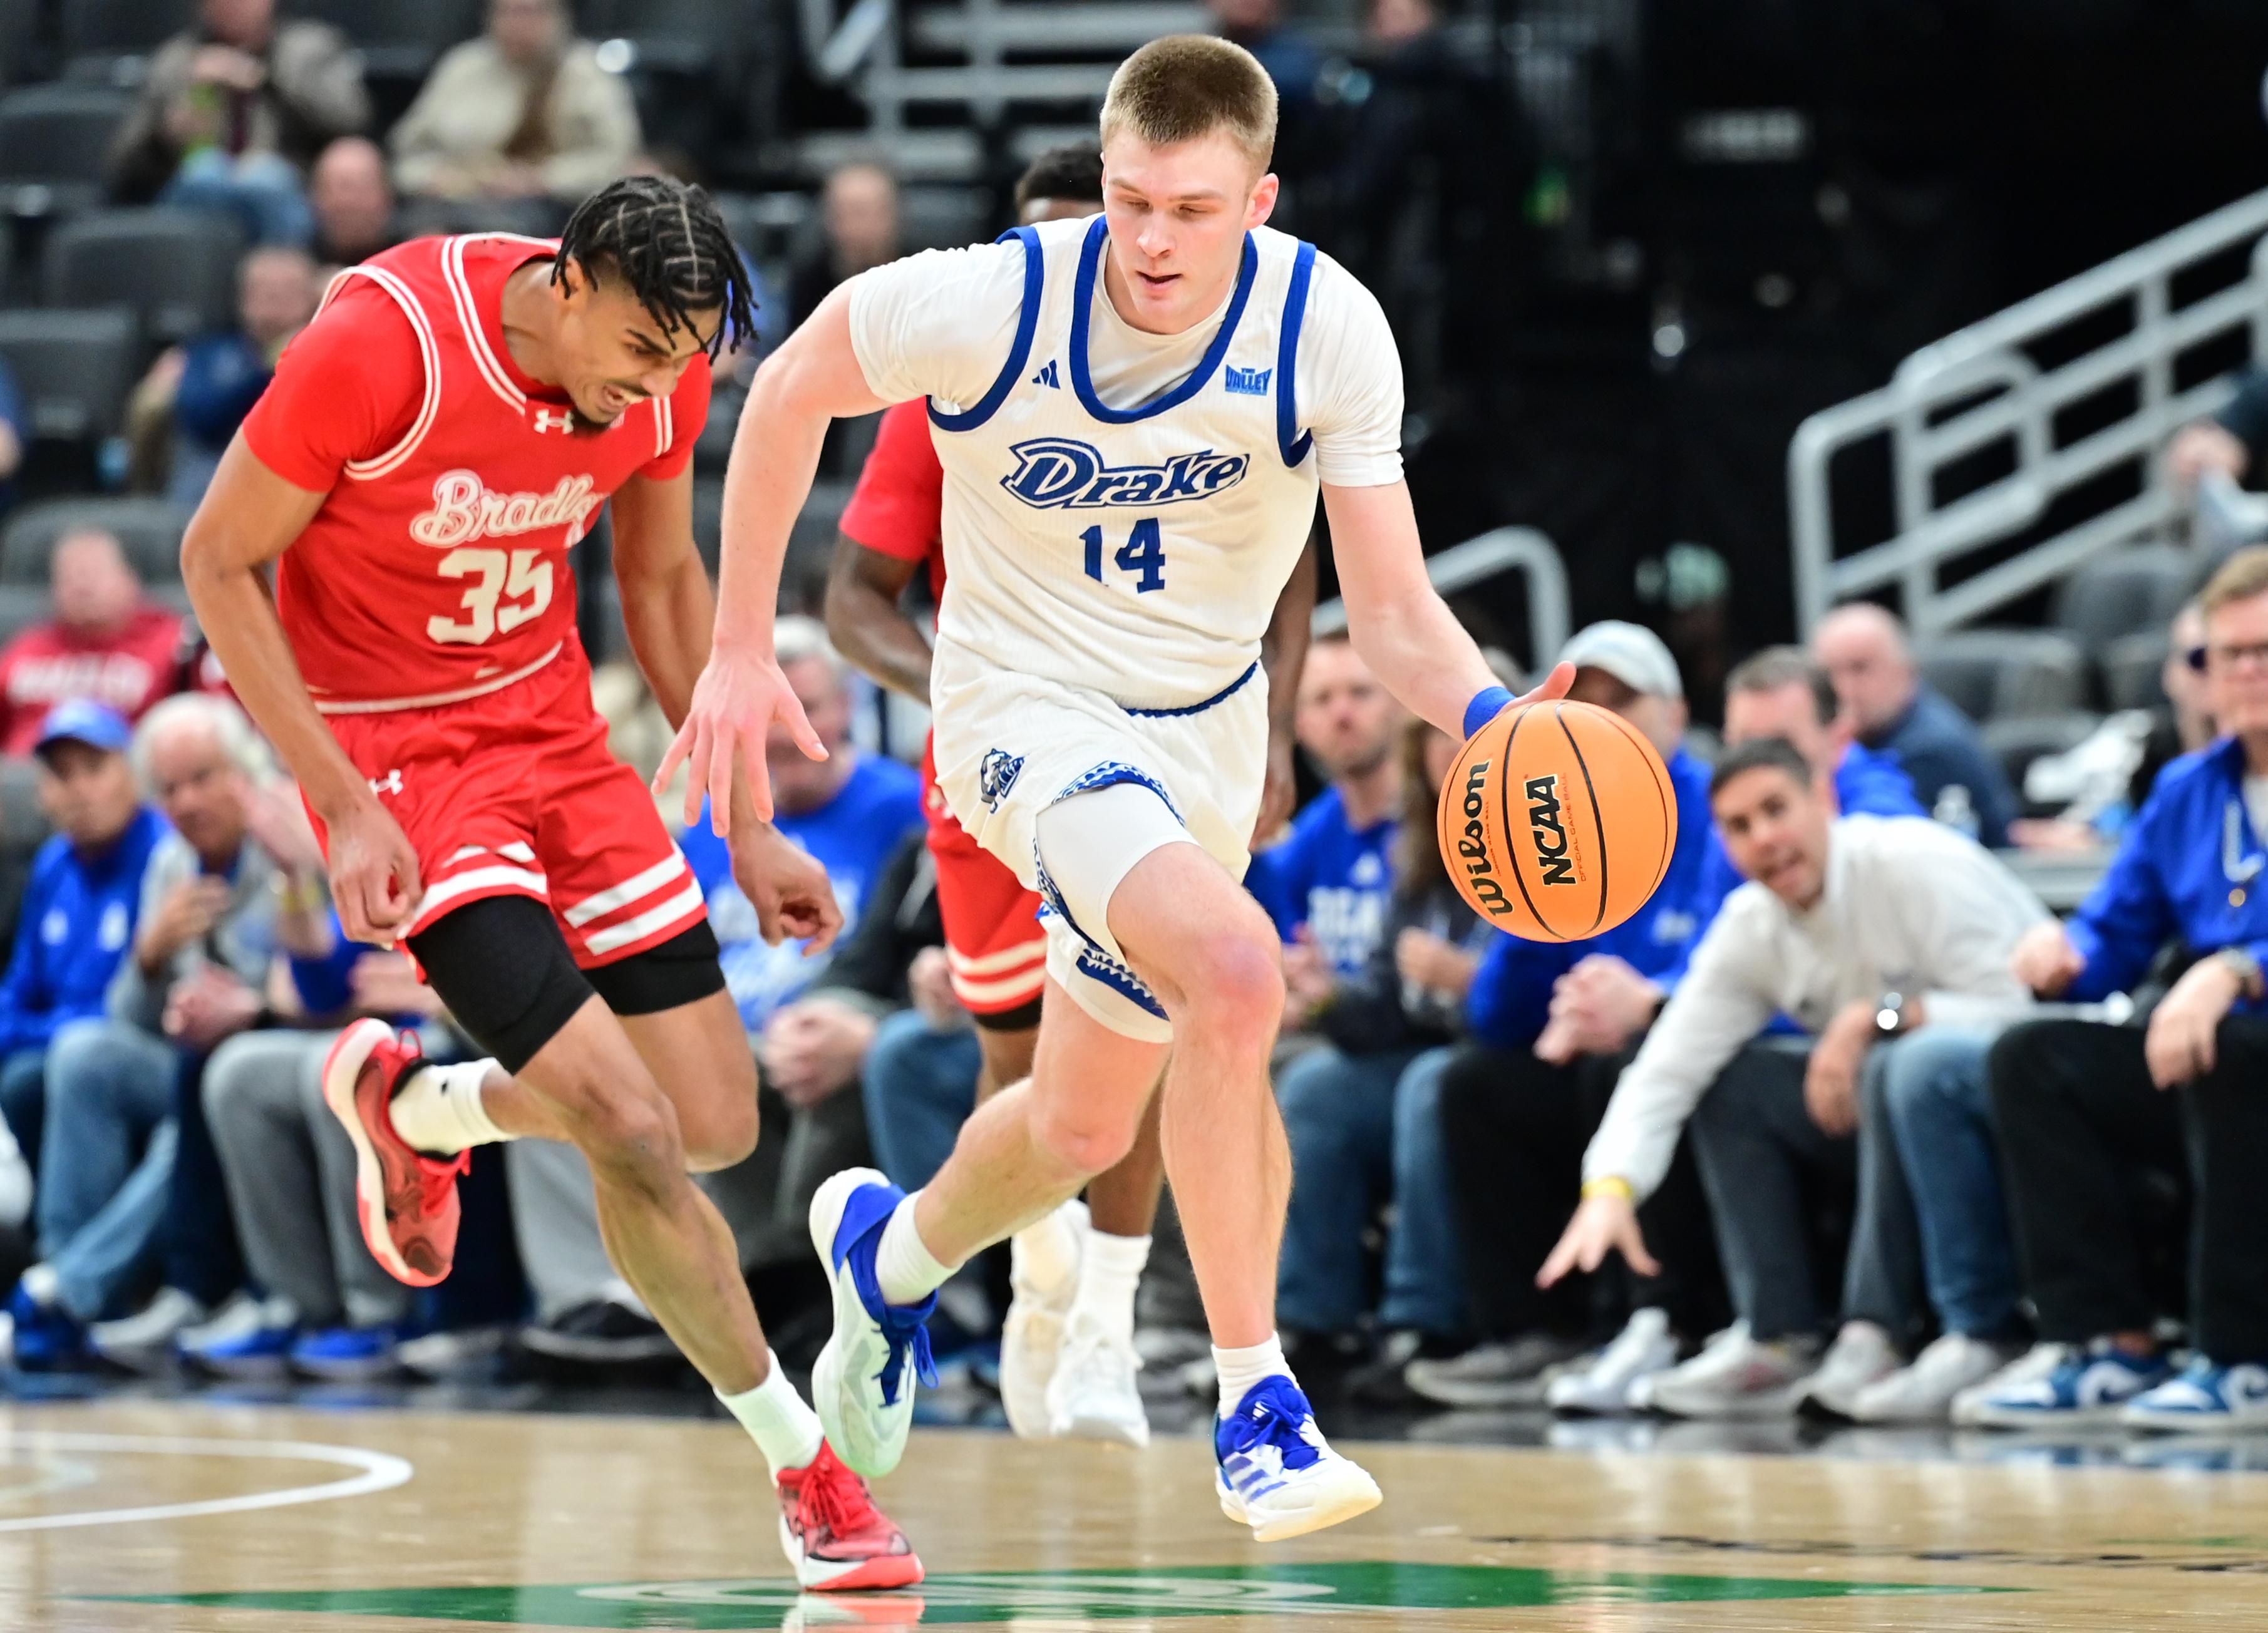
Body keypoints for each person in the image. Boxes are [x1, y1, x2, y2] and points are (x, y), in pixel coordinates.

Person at [670, 33, 1572, 1538]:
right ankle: (1256, 1402)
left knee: (1083, 1129)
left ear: (1259, 202)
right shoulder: (993, 299)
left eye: (1191, 210)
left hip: (1199, 736)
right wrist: (739, 646)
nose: (1151, 239)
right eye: (1129, 200)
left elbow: (1392, 609)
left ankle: (891, 1262)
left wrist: (1487, 712)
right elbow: (789, 386)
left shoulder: (1327, 328)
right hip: (1021, 713)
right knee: (1236, 971)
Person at [175, 174, 917, 1590]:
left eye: (681, 359)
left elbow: (663, 580)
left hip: (557, 739)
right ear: (566, 282)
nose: (655, 382)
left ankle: (418, 1107)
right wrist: (339, 802)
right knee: (628, 1127)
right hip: (400, 762)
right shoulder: (383, 342)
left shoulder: (658, 374)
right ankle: (806, 1467)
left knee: (712, 1122)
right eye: (638, 348)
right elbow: (216, 561)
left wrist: (747, 819)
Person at [822, 143, 1297, 1449]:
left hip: (1162, 747)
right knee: (1025, 1064)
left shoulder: (1221, 381)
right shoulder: (960, 380)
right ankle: (1038, 1277)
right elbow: (852, 598)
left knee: (1144, 1036)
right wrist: (970, 689)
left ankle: (1105, 1321)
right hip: (1001, 769)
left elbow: (1291, 565)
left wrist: (1278, 722)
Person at [1542, 737, 2046, 1419]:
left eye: (1776, 810)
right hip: (1886, 1118)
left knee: (1903, 1065)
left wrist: (1877, 1018)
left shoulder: (1913, 862)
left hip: (2011, 1105)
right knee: (1733, 1080)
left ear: (1823, 799)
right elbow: (1667, 1069)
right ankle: (1777, 1336)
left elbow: (2019, 1013)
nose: (1764, 839)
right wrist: (1609, 1185)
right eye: (1739, 826)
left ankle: (1933, 1334)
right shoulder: (1749, 925)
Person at [507, 616, 920, 1363]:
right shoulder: (713, 823)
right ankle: (601, 1294)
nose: (784, 734)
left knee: (808, 1048)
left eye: (806, 710)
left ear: (847, 708)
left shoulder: (903, 808)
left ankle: (784, 1295)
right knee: (564, 1061)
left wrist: (872, 1021)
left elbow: (913, 949)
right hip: (719, 1024)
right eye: (767, 716)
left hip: (830, 1024)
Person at [1971, 545, 2268, 1431]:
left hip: (2243, 1046)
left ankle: (2240, 1357)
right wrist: (2062, 950)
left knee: (2230, 1050)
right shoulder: (2186, 789)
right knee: (2033, 1058)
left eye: (2264, 651)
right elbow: (2115, 931)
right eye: (2228, 654)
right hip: (2218, 1055)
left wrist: (2236, 969)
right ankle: (2107, 1342)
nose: (2246, 672)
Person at [1411, 622, 1721, 1409]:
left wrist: (1645, 1000)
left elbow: (1739, 963)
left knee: (1626, 1067)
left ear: (1676, 715)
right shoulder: (1559, 814)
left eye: (1625, 700)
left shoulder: (1719, 807)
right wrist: (1559, 973)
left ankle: (1662, 1321)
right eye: (1589, 703)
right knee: (1475, 1084)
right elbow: (1494, 1013)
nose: (1605, 719)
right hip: (1591, 1052)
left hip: (1699, 1051)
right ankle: (1529, 1331)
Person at [4, 696, 320, 1368]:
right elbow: (126, 1019)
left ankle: (69, 1292)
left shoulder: (284, 845)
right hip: (182, 1056)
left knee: (201, 1092)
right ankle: (66, 1267)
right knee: (84, 1054)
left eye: (203, 778)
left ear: (246, 773)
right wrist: (150, 959)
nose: (187, 801)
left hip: (254, 1050)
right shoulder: (172, 862)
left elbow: (322, 977)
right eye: (172, 788)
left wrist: (249, 1007)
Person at [1273, 716, 1478, 1379]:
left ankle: (1422, 1321)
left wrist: (1471, 982)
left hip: (1507, 1056)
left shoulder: (1541, 845)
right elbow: (1386, 1008)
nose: (1453, 754)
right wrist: (1328, 998)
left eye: (1469, 737)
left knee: (1434, 1084)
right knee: (1315, 1087)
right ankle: (1314, 1321)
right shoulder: (1422, 853)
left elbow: (1545, 988)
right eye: (1439, 737)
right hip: (1423, 1053)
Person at [189, 945, 448, 1380]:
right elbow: (322, 993)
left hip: (456, 1026)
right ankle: (297, 1304)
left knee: (345, 1067)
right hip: (383, 1030)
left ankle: (380, 1314)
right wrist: (296, 909)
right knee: (239, 1073)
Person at [0, 704, 169, 1229]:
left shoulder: (165, 853)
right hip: (59, 1042)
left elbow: (133, 1008)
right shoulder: (53, 862)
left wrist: (34, 1032)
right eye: (61, 775)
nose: (78, 791)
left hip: (145, 1048)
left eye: (94, 769)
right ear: (42, 794)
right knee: (27, 1073)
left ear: (134, 775)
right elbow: (19, 987)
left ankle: (63, 1249)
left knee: (53, 1068)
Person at [108, 0, 369, 247]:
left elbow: (350, 119)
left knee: (265, 177)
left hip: (296, 181)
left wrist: (264, 77)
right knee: (205, 174)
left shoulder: (309, 48)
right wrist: (167, 133)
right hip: (197, 182)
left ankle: (284, 265)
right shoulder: (175, 60)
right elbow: (122, 165)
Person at [1248, 634, 1403, 1029]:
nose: (1342, 714)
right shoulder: (1304, 840)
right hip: (1344, 1031)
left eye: (1361, 693)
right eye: (1322, 699)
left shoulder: (1442, 823)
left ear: (1401, 703)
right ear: (1299, 723)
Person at [389, 0, 641, 207]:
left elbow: (619, 159)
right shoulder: (462, 68)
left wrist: (543, 180)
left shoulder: (588, 74)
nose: (518, 24)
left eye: (531, 12)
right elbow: (405, 153)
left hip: (556, 210)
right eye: (507, 12)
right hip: (455, 204)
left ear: (560, 16)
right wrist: (435, 177)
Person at [1812, 602, 2020, 848]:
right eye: (1829, 673)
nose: (1843, 688)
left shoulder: (1932, 752)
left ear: (1906, 668)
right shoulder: (1861, 737)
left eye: (1860, 668)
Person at [130, 246, 322, 504]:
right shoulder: (209, 353)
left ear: (312, 299)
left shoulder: (328, 359)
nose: (273, 301)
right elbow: (204, 418)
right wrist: (271, 364)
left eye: (288, 291)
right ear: (242, 298)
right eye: (262, 290)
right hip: (208, 494)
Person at [0, 533, 187, 756]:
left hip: (126, 768)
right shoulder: (26, 649)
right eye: (69, 578)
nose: (82, 587)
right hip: (26, 770)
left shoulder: (175, 643)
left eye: (94, 574)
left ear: (130, 580)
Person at [790, 162, 904, 332]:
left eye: (863, 212)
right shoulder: (809, 283)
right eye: (844, 213)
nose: (856, 226)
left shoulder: (921, 277)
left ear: (892, 214)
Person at [309, 137, 401, 269]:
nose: (351, 202)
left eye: (363, 188)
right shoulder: (299, 256)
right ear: (316, 197)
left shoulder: (408, 260)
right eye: (342, 187)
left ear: (387, 196)